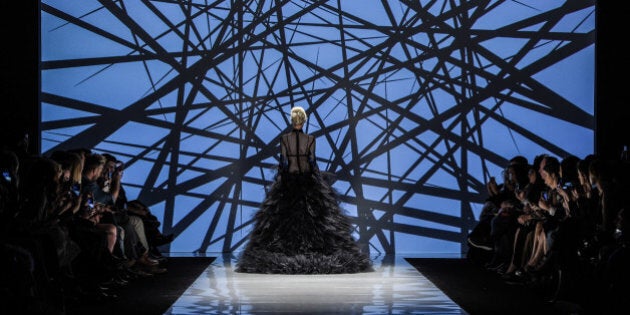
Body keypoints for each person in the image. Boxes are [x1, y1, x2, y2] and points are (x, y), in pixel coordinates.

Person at [235, 106, 373, 274]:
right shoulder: (310, 139)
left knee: (280, 217)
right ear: (303, 121)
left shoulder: (286, 139)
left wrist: (281, 180)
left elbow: (283, 162)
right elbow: (312, 162)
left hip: (289, 179)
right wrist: (319, 181)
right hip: (307, 178)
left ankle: (284, 249)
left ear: (293, 121)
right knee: (319, 216)